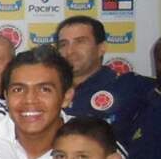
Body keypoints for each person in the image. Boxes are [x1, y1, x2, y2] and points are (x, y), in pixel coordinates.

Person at [55, 15, 154, 145]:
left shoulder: (131, 86)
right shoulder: (47, 90)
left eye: (80, 42)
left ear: (101, 48)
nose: (69, 51)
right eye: (63, 44)